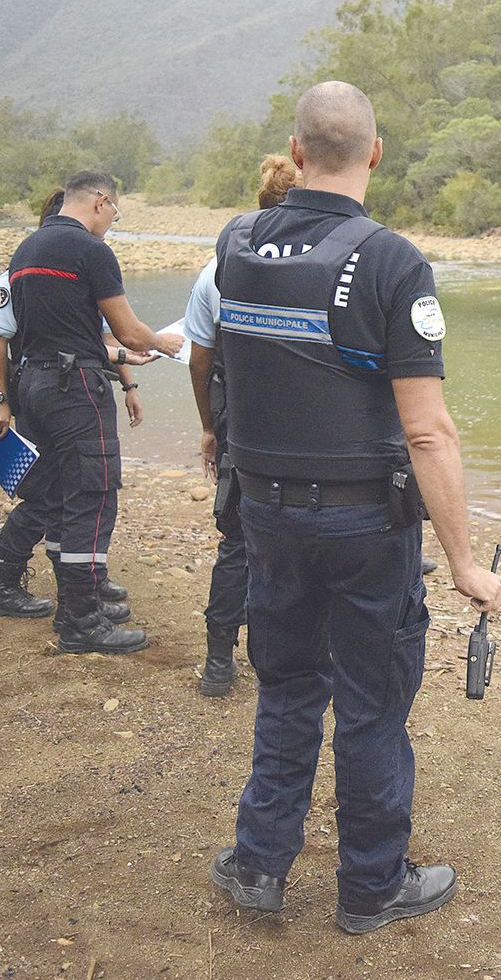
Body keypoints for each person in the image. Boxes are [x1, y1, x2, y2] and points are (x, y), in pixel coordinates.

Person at [206, 82, 501, 935]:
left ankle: (259, 864)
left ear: (296, 153)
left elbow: (229, 366)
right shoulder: (391, 262)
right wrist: (463, 561)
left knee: (289, 685)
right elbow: (429, 431)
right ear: (374, 154)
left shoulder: (235, 244)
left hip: (264, 517)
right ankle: (370, 885)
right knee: (371, 703)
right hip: (364, 528)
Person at [0, 171, 184, 655]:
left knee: (58, 492)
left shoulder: (26, 249)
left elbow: (52, 331)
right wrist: (165, 342)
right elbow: (127, 330)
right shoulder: (91, 251)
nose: (111, 225)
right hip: (75, 388)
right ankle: (80, 622)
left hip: (32, 384)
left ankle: (76, 603)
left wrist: (122, 361)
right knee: (92, 494)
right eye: (114, 215)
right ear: (100, 202)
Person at [0, 189, 140, 623]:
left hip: (53, 383)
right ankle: (7, 584)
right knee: (53, 493)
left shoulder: (71, 269)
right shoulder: (19, 272)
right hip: (47, 387)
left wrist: (129, 379)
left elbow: (97, 339)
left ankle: (84, 581)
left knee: (67, 491)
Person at [185, 154, 300, 696]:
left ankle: (217, 660)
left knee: (236, 540)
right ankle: (284, 652)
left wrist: (209, 426)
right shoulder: (326, 263)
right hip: (308, 427)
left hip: (241, 425)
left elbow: (199, 360)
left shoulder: (218, 269)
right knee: (302, 538)